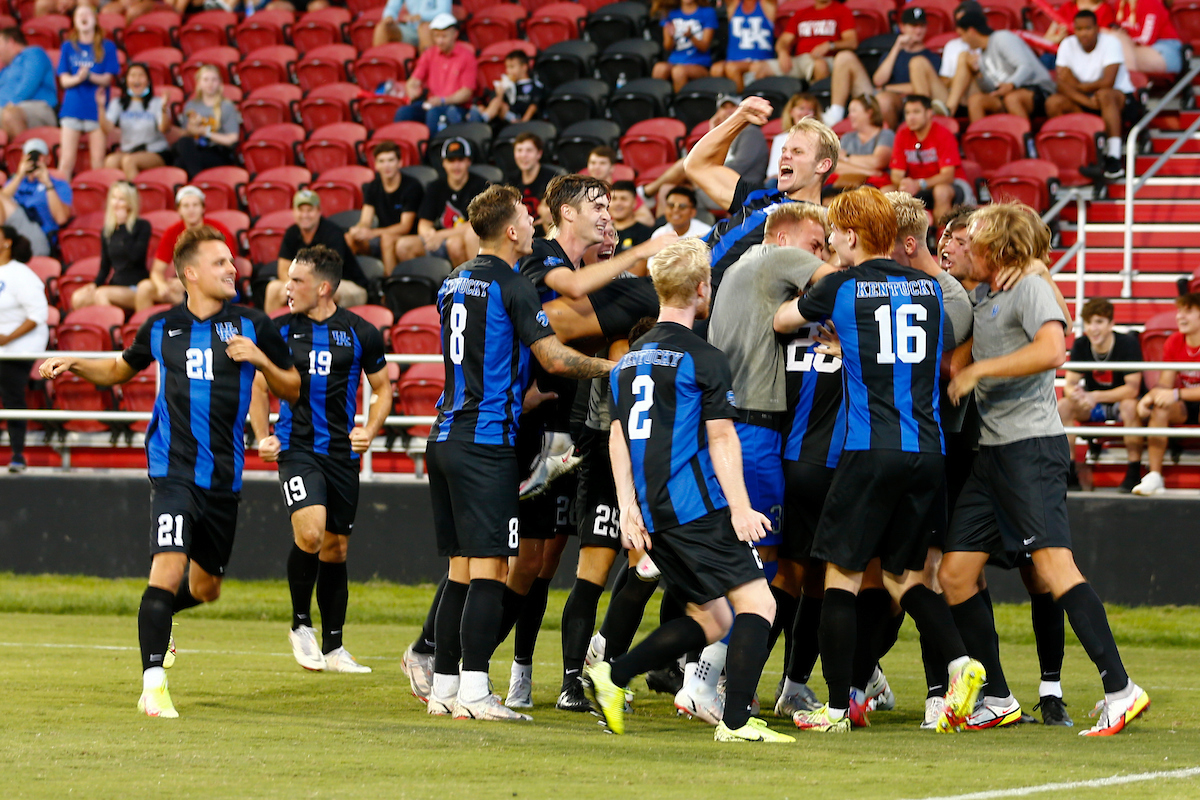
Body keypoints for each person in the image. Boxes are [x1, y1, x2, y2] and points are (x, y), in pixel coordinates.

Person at [38, 226, 300, 718]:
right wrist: (75, 363)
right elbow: (119, 370)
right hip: (171, 469)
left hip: (224, 478)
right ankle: (153, 685)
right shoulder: (159, 327)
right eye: (221, 262)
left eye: (232, 260)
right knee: (167, 567)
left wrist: (261, 359)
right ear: (190, 274)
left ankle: (162, 620)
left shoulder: (254, 324)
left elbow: (293, 389)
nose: (233, 268)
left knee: (206, 589)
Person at [774, 186, 985, 734]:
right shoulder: (929, 288)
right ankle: (962, 664)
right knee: (904, 575)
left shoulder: (840, 285)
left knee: (840, 579)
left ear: (847, 235)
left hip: (870, 449)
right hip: (928, 451)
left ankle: (839, 709)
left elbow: (780, 319)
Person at [942, 203, 1150, 736]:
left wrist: (981, 368)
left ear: (998, 248)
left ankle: (1120, 689)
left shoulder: (1029, 286)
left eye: (975, 237)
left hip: (1030, 449)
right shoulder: (988, 293)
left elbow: (1054, 348)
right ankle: (998, 699)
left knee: (1055, 568)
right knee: (956, 574)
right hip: (994, 455)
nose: (966, 244)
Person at [580, 238, 791, 743]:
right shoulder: (704, 357)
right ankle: (737, 722)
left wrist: (629, 509)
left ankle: (613, 672)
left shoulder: (629, 359)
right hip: (697, 507)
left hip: (654, 512)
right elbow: (721, 438)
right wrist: (741, 508)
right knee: (760, 607)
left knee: (715, 618)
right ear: (702, 290)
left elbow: (618, 438)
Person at [423, 184, 614, 721]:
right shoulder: (512, 284)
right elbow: (552, 358)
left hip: (443, 437)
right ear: (510, 231)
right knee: (492, 569)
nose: (535, 223)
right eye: (528, 218)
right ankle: (478, 691)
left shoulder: (453, 281)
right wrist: (611, 368)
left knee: (461, 569)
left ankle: (444, 688)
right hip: (486, 443)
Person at [680, 202, 833, 724]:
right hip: (751, 428)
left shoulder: (743, 270)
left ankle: (706, 679)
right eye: (814, 243)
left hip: (732, 423)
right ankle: (707, 680)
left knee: (744, 561)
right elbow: (838, 281)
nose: (818, 254)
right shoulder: (771, 259)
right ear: (784, 235)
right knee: (758, 566)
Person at [251, 244, 391, 674]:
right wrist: (262, 436)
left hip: (342, 454)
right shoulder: (277, 331)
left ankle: (334, 648)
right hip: (297, 449)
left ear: (324, 287)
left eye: (296, 280)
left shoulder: (361, 332)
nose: (286, 287)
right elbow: (259, 386)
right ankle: (299, 626)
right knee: (310, 533)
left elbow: (383, 389)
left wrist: (369, 428)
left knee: (335, 547)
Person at [686, 99, 839, 288]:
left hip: (711, 301)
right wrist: (740, 118)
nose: (785, 155)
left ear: (822, 165)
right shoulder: (761, 196)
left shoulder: (822, 224)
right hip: (683, 277)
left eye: (797, 152)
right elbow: (697, 166)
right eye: (784, 150)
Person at [1058, 298, 1144, 493]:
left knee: (1130, 406)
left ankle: (1133, 471)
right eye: (1089, 322)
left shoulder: (1127, 343)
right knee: (1064, 405)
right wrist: (1076, 394)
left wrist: (1094, 396)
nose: (1093, 328)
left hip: (1120, 403)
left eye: (1099, 322)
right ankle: (1070, 471)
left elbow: (1132, 389)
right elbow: (1069, 384)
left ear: (1111, 324)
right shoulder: (1081, 344)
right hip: (1094, 406)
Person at [1048, 10, 1139, 182]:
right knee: (1054, 103)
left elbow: (1108, 82)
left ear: (1097, 28)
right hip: (1088, 100)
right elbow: (1061, 85)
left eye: (1088, 28)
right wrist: (1088, 102)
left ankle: (1114, 157)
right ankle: (1079, 155)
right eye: (1079, 29)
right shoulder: (1067, 44)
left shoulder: (1111, 42)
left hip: (1118, 99)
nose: (1084, 33)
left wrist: (1077, 86)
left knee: (1105, 95)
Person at [645, 94, 770, 213]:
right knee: (667, 189)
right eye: (723, 107)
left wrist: (700, 176)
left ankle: (647, 192)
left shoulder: (750, 133)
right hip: (716, 183)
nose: (728, 111)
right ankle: (662, 229)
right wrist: (713, 131)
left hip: (737, 191)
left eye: (732, 106)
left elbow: (740, 166)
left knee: (685, 165)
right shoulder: (725, 136)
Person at [1132, 293, 1200, 496]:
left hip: (1187, 397)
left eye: (1188, 311)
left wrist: (1176, 394)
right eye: (1179, 311)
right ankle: (1155, 476)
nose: (1180, 316)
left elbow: (1174, 392)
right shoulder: (1174, 341)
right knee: (1160, 408)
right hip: (1186, 401)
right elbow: (1165, 384)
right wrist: (1151, 396)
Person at [264, 190, 368, 312]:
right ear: (294, 212)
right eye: (301, 210)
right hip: (307, 283)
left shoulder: (333, 233)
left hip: (345, 284)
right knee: (273, 288)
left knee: (324, 292)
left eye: (310, 210)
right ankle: (273, 329)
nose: (305, 215)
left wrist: (301, 287)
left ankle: (319, 330)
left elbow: (330, 274)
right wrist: (296, 285)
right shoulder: (291, 233)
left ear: (319, 211)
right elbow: (283, 269)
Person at [944, 11, 1056, 123]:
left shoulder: (1002, 38)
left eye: (962, 35)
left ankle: (1024, 138)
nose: (962, 40)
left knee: (1012, 99)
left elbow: (1026, 67)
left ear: (972, 31)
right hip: (1006, 94)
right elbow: (990, 88)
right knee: (975, 100)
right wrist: (978, 74)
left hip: (1037, 88)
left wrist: (1011, 84)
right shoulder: (981, 55)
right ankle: (979, 137)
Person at [136, 186, 236, 310]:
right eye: (186, 206)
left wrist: (186, 282)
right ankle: (147, 328)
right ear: (179, 210)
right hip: (183, 284)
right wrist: (162, 286)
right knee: (145, 287)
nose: (191, 210)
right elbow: (157, 271)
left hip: (214, 281)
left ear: (203, 208)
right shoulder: (172, 232)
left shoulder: (218, 229)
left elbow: (225, 266)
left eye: (195, 205)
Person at [394, 138, 487, 268]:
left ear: (468, 162)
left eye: (460, 160)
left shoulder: (481, 185)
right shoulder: (435, 187)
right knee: (404, 246)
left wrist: (440, 235)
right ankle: (430, 285)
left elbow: (478, 225)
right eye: (451, 161)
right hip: (439, 241)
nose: (456, 166)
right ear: (443, 163)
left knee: (454, 244)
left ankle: (465, 285)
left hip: (466, 240)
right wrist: (429, 235)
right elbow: (424, 224)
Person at [889, 95, 975, 224]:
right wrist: (904, 183)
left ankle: (941, 236)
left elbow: (948, 176)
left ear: (929, 113)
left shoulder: (943, 134)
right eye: (907, 113)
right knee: (887, 192)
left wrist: (919, 184)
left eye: (916, 112)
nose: (911, 117)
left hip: (952, 185)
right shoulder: (902, 135)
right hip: (917, 186)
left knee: (941, 191)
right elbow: (896, 174)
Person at [56, 3, 119, 178]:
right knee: (66, 161)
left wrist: (88, 76)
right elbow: (64, 80)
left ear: (95, 19)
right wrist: (78, 78)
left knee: (98, 162)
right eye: (79, 15)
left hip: (96, 109)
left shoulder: (108, 46)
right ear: (74, 22)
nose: (84, 18)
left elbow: (108, 78)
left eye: (87, 14)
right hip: (72, 108)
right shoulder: (68, 46)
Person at [0, 227, 45, 473]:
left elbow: (38, 314)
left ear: (7, 242)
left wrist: (8, 338)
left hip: (21, 344)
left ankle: (18, 453)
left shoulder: (21, 274)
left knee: (11, 391)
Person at [344, 141, 423, 277]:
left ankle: (389, 287)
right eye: (381, 161)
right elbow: (365, 220)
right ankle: (356, 283)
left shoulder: (412, 186)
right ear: (375, 165)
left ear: (400, 162)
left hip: (407, 237)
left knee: (387, 238)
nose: (386, 166)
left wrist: (373, 233)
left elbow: (405, 226)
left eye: (391, 160)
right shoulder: (372, 187)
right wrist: (359, 229)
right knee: (349, 238)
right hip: (381, 236)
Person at [71, 181, 150, 312]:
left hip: (135, 286)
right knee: (78, 298)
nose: (116, 203)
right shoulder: (107, 231)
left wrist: (124, 227)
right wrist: (95, 284)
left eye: (121, 199)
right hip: (115, 285)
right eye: (114, 198)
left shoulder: (142, 226)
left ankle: (113, 330)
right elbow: (105, 266)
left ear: (130, 203)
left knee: (102, 294)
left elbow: (136, 257)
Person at [393, 14, 476, 135]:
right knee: (404, 112)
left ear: (455, 34)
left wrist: (443, 100)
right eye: (436, 36)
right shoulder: (429, 54)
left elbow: (466, 93)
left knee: (434, 114)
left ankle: (431, 151)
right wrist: (412, 89)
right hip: (432, 104)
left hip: (456, 107)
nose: (440, 41)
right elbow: (414, 80)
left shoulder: (467, 57)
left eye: (444, 36)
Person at [870, 7, 946, 128]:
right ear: (902, 27)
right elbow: (878, 80)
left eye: (921, 26)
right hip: (897, 101)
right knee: (882, 100)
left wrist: (887, 88)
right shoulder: (892, 54)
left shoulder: (932, 57)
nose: (918, 30)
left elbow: (922, 86)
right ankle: (891, 140)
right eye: (913, 26)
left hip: (920, 101)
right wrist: (896, 47)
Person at [754, 0, 856, 83]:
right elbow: (784, 40)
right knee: (759, 68)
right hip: (800, 61)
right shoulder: (801, 13)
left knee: (819, 65)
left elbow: (852, 42)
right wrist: (782, 52)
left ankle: (818, 104)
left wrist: (830, 45)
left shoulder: (842, 11)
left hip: (827, 59)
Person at [2, 138, 72, 255]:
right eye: (30, 156)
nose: (34, 160)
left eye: (38, 156)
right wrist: (19, 176)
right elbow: (2, 201)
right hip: (12, 234)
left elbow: (61, 219)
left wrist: (48, 184)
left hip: (39, 236)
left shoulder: (59, 184)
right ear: (23, 159)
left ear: (48, 159)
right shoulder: (14, 182)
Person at [103, 62, 172, 181]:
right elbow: (107, 128)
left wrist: (164, 108)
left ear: (148, 81)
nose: (137, 79)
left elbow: (164, 129)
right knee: (111, 161)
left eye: (141, 75)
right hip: (129, 150)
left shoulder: (157, 102)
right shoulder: (118, 103)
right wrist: (99, 107)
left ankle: (135, 197)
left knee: (129, 161)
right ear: (126, 80)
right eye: (133, 75)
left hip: (154, 151)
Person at [173, 65, 241, 179]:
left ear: (219, 82)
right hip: (195, 149)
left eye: (214, 80)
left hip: (217, 151)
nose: (210, 84)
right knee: (183, 144)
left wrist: (205, 132)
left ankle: (197, 180)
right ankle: (198, 181)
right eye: (206, 80)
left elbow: (232, 138)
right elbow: (186, 133)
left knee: (181, 163)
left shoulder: (226, 106)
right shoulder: (191, 105)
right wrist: (193, 127)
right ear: (199, 83)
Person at [0, 27, 57, 139]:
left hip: (37, 107)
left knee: (10, 115)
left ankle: (28, 154)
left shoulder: (34, 53)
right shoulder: (5, 70)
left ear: (11, 41)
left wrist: (11, 103)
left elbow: (28, 85)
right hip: (6, 108)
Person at [652, 0, 719, 92]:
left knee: (678, 72)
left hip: (699, 64)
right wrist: (671, 36)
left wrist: (691, 36)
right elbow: (667, 47)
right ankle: (661, 104)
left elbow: (704, 47)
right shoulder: (670, 13)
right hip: (675, 61)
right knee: (659, 68)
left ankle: (680, 104)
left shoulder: (708, 12)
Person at [830, 95, 894, 190]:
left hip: (875, 186)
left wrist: (846, 157)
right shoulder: (847, 137)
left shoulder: (886, 134)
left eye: (854, 111)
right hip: (847, 183)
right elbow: (835, 165)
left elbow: (878, 162)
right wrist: (869, 172)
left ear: (869, 113)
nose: (849, 115)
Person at [711, 0, 775, 92]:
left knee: (732, 68)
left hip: (760, 60)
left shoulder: (766, 4)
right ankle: (726, 102)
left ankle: (740, 100)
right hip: (734, 60)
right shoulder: (734, 5)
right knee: (716, 69)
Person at [469, 50, 545, 128]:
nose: (509, 71)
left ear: (524, 67)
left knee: (498, 103)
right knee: (482, 107)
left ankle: (482, 121)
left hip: (521, 119)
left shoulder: (534, 85)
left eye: (512, 67)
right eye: (507, 67)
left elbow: (534, 105)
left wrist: (524, 122)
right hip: (507, 119)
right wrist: (500, 94)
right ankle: (480, 120)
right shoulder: (509, 85)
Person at [585, 147, 656, 227]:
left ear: (612, 168)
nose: (596, 167)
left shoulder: (622, 189)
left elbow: (647, 219)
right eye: (593, 163)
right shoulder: (582, 191)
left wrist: (617, 223)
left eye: (602, 163)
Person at [1113, 0, 1183, 75]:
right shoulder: (1120, 3)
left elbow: (1146, 40)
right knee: (1115, 47)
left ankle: (1133, 83)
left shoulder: (1149, 2)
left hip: (1166, 49)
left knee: (1118, 52)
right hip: (1139, 48)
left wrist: (1125, 40)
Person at [506, 132, 556, 233]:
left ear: (539, 154)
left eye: (529, 151)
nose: (524, 155)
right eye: (519, 150)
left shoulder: (552, 178)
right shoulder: (511, 179)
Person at [766, 94, 821, 184]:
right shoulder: (780, 139)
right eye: (801, 108)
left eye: (810, 110)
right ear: (791, 112)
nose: (805, 113)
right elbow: (773, 172)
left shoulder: (820, 139)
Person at [375, 0, 452, 51]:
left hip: (432, 30)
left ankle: (426, 69)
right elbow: (391, 7)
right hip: (411, 29)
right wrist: (389, 16)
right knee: (383, 27)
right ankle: (379, 68)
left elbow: (444, 11)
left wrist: (421, 16)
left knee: (424, 28)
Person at [610, 180, 654, 257]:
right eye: (614, 199)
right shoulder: (601, 232)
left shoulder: (645, 233)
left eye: (623, 199)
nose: (618, 203)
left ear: (634, 203)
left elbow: (640, 266)